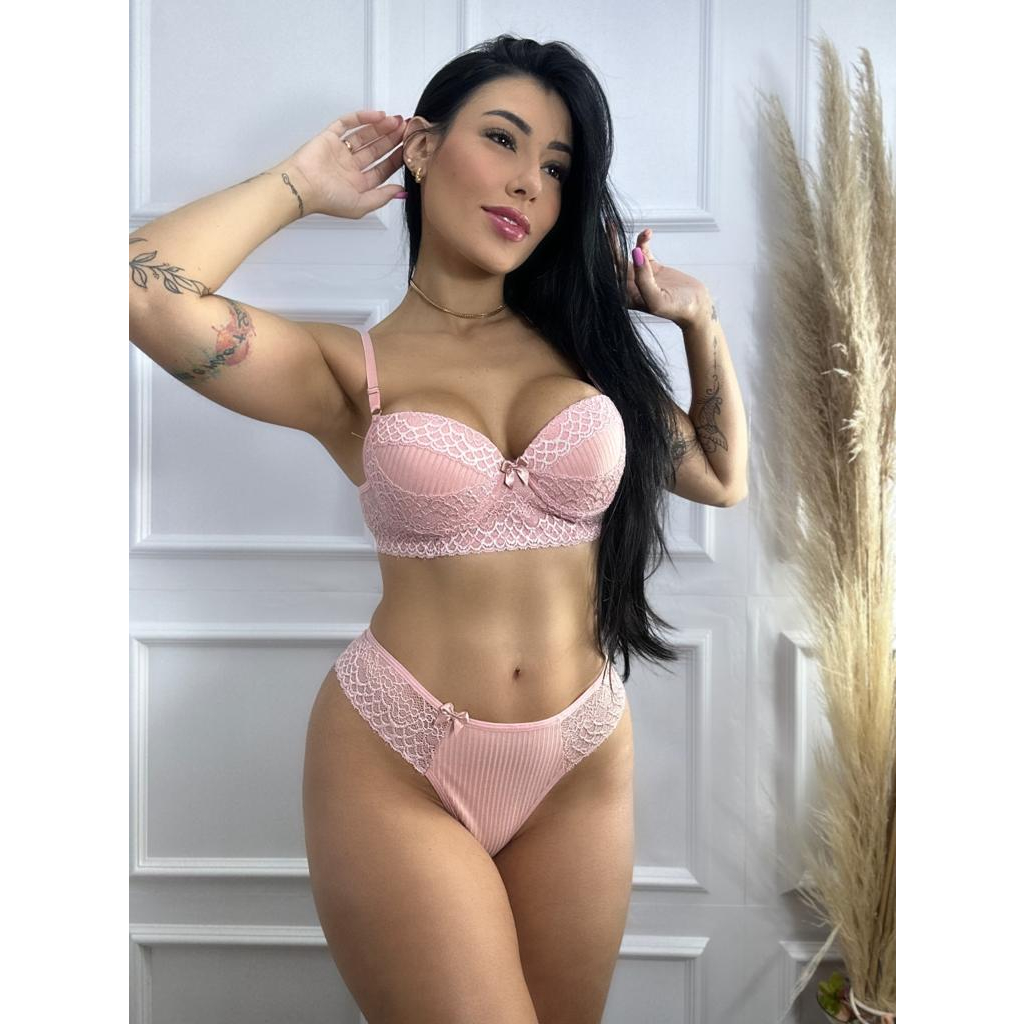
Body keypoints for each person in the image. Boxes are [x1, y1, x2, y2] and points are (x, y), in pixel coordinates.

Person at [129, 33, 747, 1024]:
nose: (529, 182)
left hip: (581, 756)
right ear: (421, 150)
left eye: (557, 167)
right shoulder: (346, 369)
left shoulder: (589, 356)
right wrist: (299, 186)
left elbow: (718, 475)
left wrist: (699, 322)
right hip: (397, 755)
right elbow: (135, 286)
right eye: (501, 139)